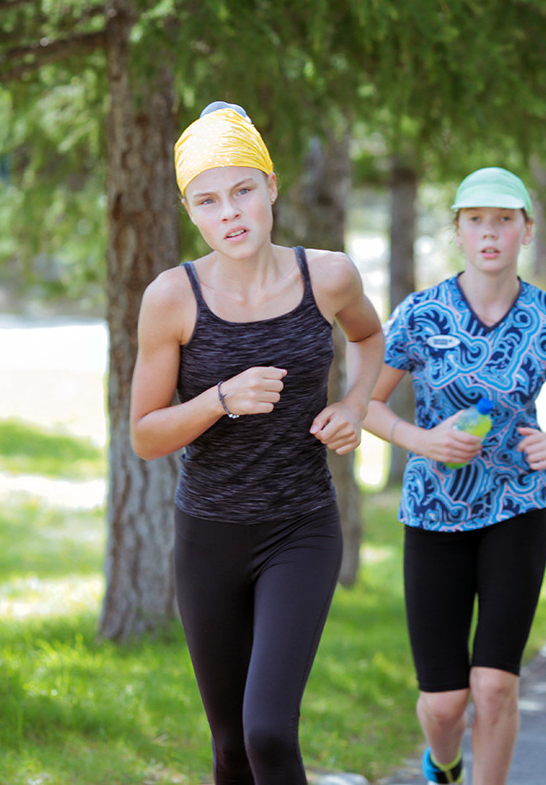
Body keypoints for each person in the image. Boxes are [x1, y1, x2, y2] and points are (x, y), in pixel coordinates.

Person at [129, 101, 384, 784]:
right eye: (208, 200)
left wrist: (355, 403)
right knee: (231, 748)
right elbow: (145, 435)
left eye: (243, 190)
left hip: (299, 528)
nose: (230, 212)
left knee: (267, 729)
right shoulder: (172, 297)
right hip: (208, 532)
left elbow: (369, 338)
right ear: (192, 212)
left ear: (272, 186)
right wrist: (219, 398)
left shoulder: (326, 277)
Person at [364, 166, 546, 784]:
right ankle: (444, 764)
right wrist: (423, 441)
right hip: (434, 511)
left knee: (494, 688)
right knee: (445, 705)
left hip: (517, 507)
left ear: (525, 231)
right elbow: (368, 405)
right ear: (459, 232)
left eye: (503, 221)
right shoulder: (419, 314)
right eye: (475, 221)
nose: (489, 233)